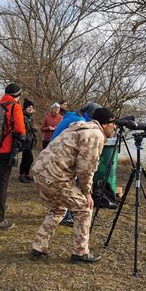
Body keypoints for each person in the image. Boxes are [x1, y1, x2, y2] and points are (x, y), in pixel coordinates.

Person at [29, 108, 116, 263]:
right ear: (104, 124)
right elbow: (86, 169)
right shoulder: (94, 134)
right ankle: (80, 252)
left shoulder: (80, 128)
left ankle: (39, 248)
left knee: (57, 208)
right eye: (112, 124)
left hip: (40, 171)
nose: (115, 127)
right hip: (55, 175)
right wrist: (87, 193)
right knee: (84, 207)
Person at [51, 101, 102, 226]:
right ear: (90, 115)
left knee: (65, 185)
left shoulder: (72, 116)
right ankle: (66, 217)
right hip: (60, 155)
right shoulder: (80, 121)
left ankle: (67, 214)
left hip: (54, 152)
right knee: (68, 185)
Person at [0, 83, 26, 230]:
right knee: (2, 183)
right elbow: (20, 129)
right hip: (6, 150)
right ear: (17, 95)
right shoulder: (14, 107)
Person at [19, 98, 37, 183]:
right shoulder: (23, 116)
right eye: (29, 107)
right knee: (29, 158)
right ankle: (21, 175)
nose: (30, 108)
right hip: (25, 140)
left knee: (26, 158)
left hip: (30, 140)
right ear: (25, 108)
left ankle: (26, 174)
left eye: (31, 107)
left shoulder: (30, 117)